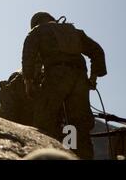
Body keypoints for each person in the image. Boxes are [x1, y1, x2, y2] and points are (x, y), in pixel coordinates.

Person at [22, 12, 107, 159]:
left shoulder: (37, 31)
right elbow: (97, 51)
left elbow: (29, 56)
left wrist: (29, 82)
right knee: (78, 125)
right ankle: (78, 155)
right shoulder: (74, 32)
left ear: (36, 23)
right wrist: (92, 78)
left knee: (45, 119)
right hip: (80, 78)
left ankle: (48, 154)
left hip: (57, 75)